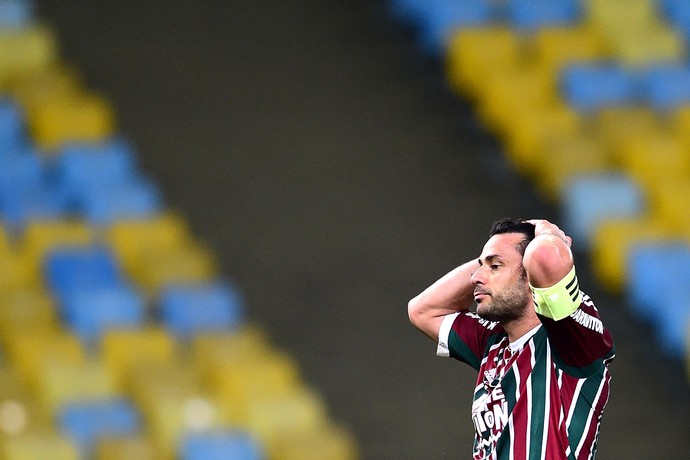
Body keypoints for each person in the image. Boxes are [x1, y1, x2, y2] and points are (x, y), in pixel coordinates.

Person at [408, 218, 615, 460]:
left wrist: (546, 230)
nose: (475, 277)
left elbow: (546, 257)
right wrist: (489, 257)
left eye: (495, 266)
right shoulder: (494, 340)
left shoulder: (569, 339)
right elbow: (422, 310)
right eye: (480, 266)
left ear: (530, 276)